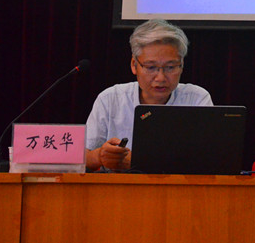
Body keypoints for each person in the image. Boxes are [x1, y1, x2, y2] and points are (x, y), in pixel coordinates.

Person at [85, 19, 212, 171]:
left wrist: (138, 162)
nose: (161, 78)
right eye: (151, 67)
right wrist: (100, 156)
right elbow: (82, 157)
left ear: (182, 65)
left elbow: (209, 160)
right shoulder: (111, 99)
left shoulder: (196, 99)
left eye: (170, 67)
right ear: (134, 65)